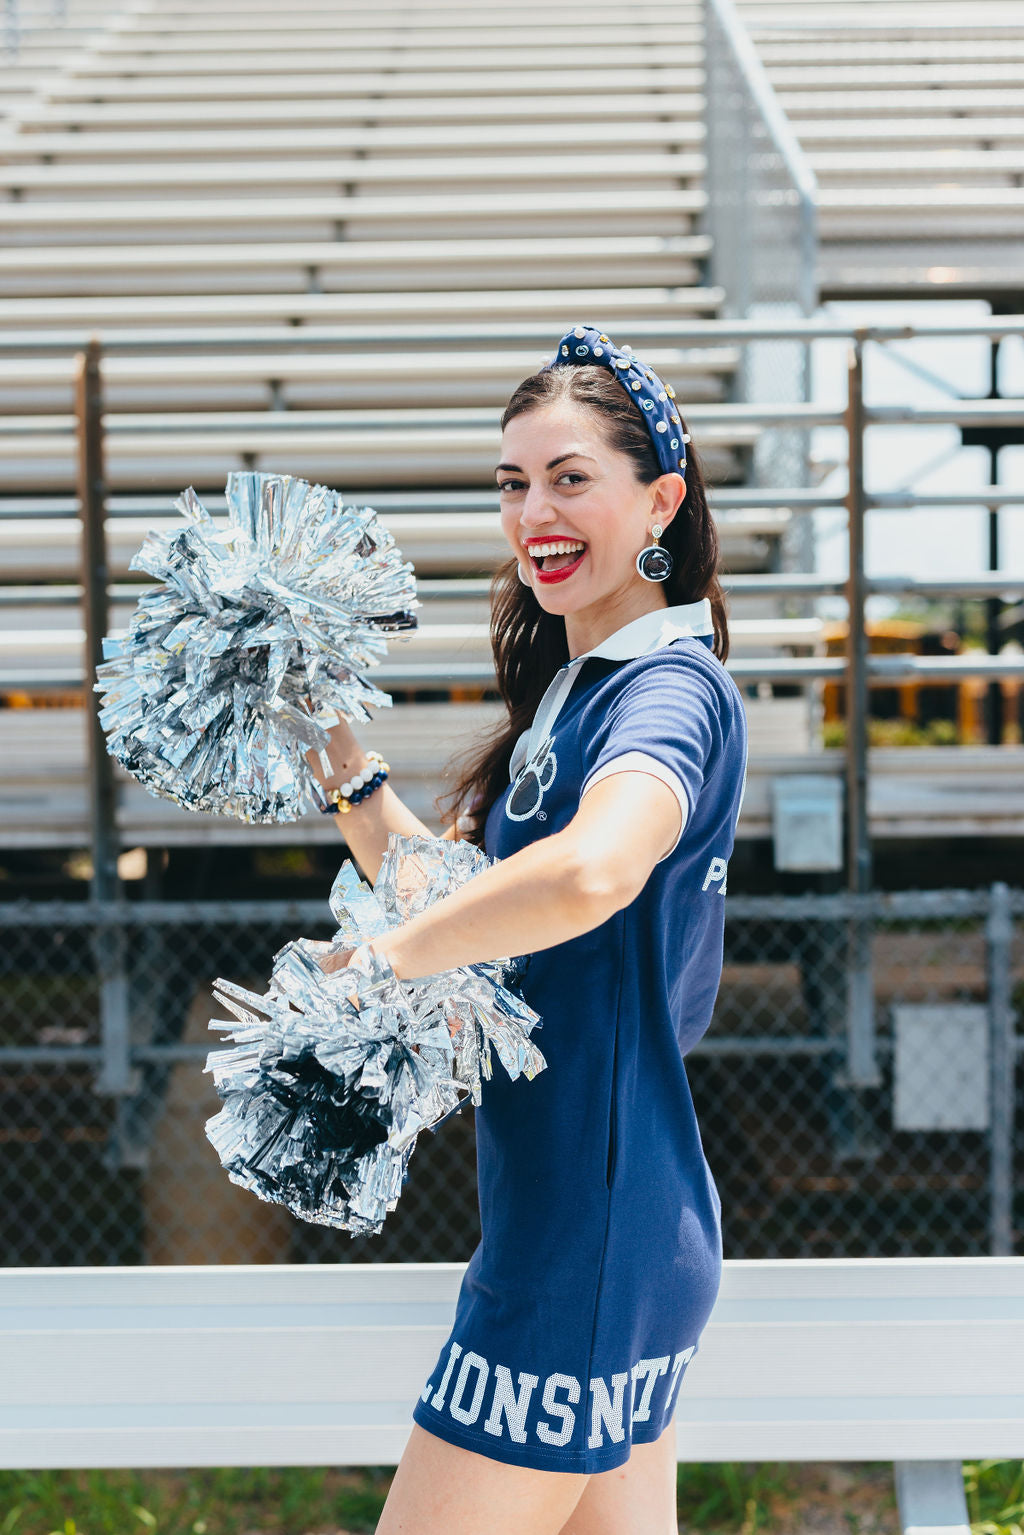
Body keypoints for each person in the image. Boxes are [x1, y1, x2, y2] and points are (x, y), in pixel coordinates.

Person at [307, 325, 748, 1535]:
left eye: (569, 479)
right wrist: (340, 757)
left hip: (589, 1245)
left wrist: (385, 959)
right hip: (602, 1227)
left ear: (659, 498)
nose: (533, 511)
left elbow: (593, 870)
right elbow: (473, 902)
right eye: (513, 482)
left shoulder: (670, 690)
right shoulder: (585, 686)